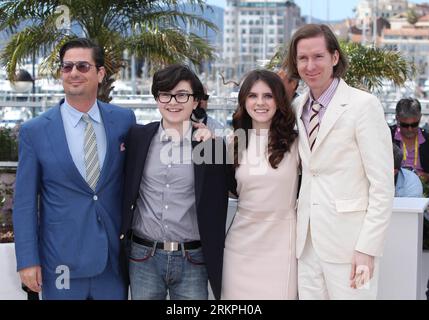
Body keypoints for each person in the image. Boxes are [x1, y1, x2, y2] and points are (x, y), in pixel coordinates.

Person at [12, 38, 136, 299]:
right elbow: (23, 203)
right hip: (60, 263)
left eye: (82, 66)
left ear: (100, 73)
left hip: (112, 262)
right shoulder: (35, 131)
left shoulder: (124, 121)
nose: (74, 73)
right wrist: (26, 260)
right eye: (67, 67)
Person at [284, 24, 394, 299]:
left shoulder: (363, 105)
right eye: (303, 58)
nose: (310, 65)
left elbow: (382, 185)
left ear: (334, 57)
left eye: (318, 56)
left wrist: (367, 249)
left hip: (350, 247)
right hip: (306, 246)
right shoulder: (297, 107)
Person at [119, 64, 229, 300]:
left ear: (196, 100)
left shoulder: (210, 147)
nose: (173, 102)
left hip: (192, 258)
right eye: (165, 95)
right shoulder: (137, 137)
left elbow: (230, 187)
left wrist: (213, 141)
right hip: (143, 256)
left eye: (182, 95)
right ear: (157, 99)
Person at [221, 69, 299, 299]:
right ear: (244, 101)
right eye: (253, 96)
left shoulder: (296, 143)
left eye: (268, 96)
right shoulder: (231, 143)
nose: (260, 102)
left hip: (282, 245)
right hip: (240, 246)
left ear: (279, 101)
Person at [390, 98, 429, 182]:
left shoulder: (427, 139)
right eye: (405, 125)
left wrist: (427, 177)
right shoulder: (388, 136)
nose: (410, 129)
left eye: (414, 124)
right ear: (397, 118)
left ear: (420, 118)